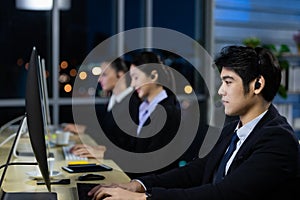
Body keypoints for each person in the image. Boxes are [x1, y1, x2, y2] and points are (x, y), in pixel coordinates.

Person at [87, 45, 300, 200]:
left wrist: (146, 199)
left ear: (257, 84)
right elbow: (196, 170)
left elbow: (224, 194)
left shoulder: (278, 140)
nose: (220, 91)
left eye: (228, 82)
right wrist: (138, 185)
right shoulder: (232, 131)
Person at [65, 58, 140, 158]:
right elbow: (108, 132)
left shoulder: (134, 104)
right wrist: (85, 130)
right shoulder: (114, 99)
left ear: (120, 75)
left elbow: (123, 144)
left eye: (104, 75)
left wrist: (101, 151)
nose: (99, 79)